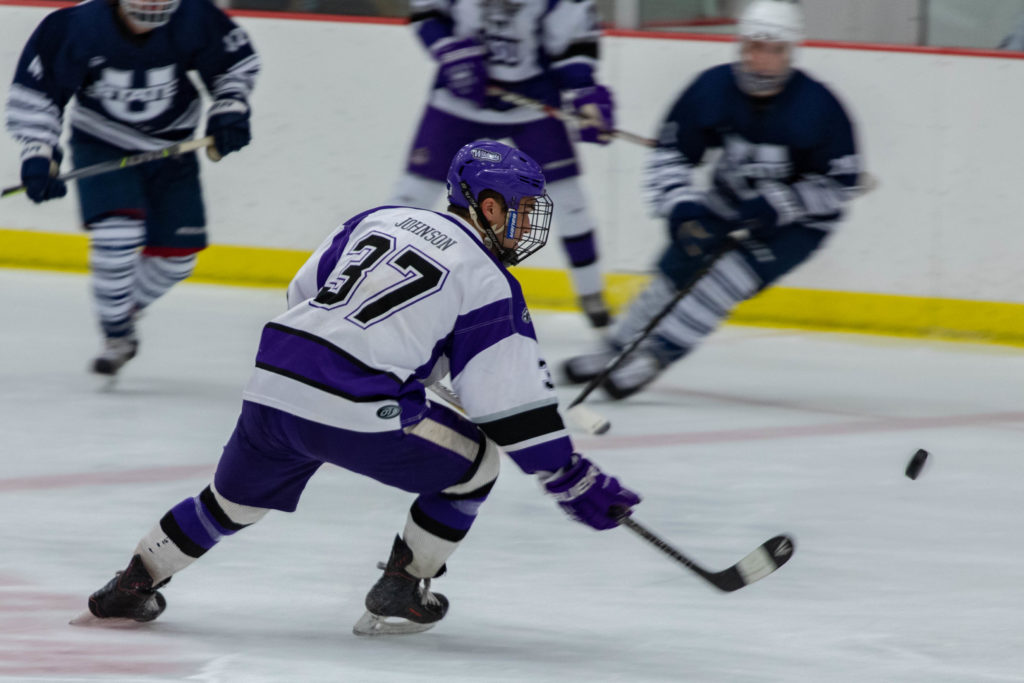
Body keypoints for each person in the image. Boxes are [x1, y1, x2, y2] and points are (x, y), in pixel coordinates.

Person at [76, 140, 641, 636]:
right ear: (487, 206)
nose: (524, 226)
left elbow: (304, 293)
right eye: (517, 211)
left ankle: (133, 581)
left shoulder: (379, 218)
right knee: (475, 467)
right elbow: (509, 407)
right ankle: (403, 586)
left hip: (274, 380)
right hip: (358, 405)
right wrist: (570, 476)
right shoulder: (490, 279)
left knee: (231, 503)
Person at [563, 0, 863, 399]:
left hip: (798, 223)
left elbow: (839, 185)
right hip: (731, 199)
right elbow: (670, 155)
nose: (760, 59)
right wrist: (681, 207)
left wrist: (780, 204)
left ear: (791, 52)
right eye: (753, 47)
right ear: (740, 47)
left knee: (726, 280)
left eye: (773, 50)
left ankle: (655, 356)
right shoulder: (712, 88)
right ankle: (615, 347)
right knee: (675, 267)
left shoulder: (819, 107)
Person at [4, 0, 259, 376]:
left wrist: (230, 107)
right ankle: (116, 334)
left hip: (172, 148)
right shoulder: (75, 26)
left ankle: (122, 310)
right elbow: (40, 93)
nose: (147, 19)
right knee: (117, 232)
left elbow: (233, 67)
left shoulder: (196, 17)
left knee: (177, 259)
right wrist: (38, 152)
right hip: (101, 141)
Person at [392, 0, 616, 328]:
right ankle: (371, 276)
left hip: (533, 103)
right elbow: (427, 12)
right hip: (460, 98)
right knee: (412, 195)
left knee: (571, 201)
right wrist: (449, 51)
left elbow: (572, 45)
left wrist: (585, 94)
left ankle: (591, 293)